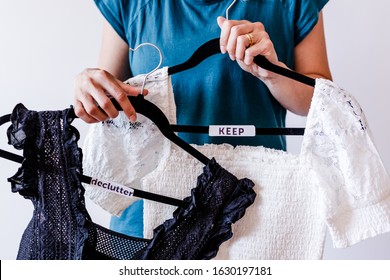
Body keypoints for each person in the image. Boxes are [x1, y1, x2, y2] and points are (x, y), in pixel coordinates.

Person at [74, 0, 332, 238]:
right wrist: (90, 89)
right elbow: (105, 97)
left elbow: (323, 102)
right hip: (144, 220)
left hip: (254, 213)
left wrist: (273, 72)